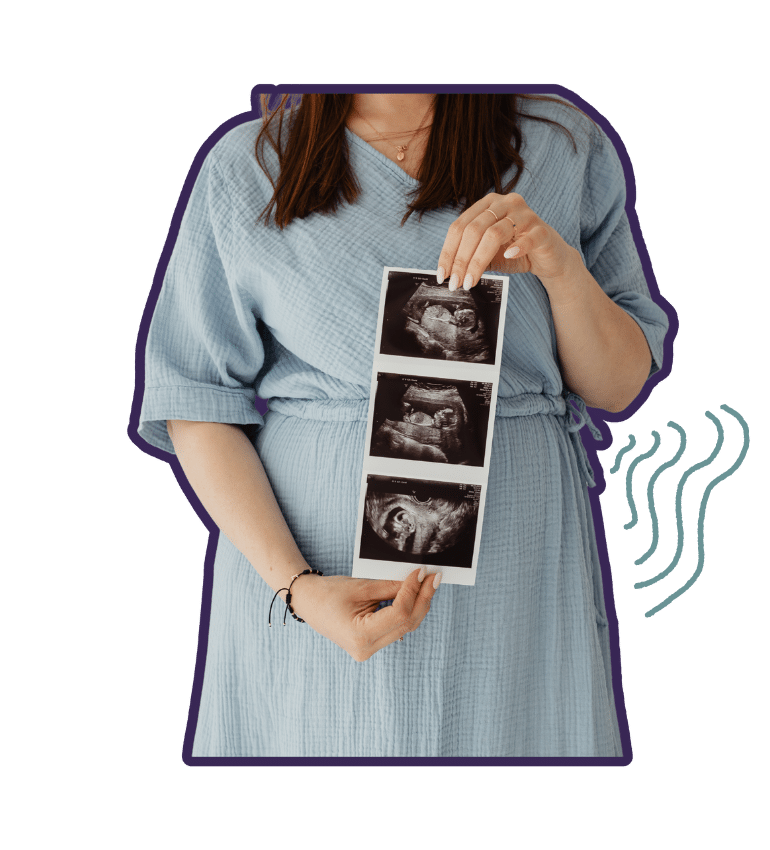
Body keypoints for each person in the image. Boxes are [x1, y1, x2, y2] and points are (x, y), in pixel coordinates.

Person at [134, 92, 670, 758]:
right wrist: (298, 589)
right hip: (315, 571)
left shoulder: (561, 143)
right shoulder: (248, 164)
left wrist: (559, 266)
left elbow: (617, 384)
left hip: (516, 569)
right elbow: (196, 399)